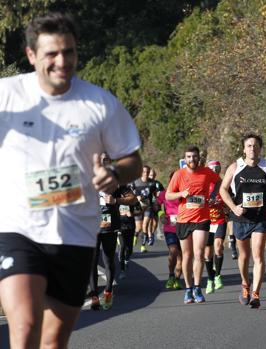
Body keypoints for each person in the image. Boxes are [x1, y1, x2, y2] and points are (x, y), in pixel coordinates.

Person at [0, 12, 142, 348]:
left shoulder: (100, 104)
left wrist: (115, 173)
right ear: (32, 55)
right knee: (24, 327)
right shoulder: (7, 97)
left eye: (69, 52)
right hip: (17, 228)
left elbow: (133, 161)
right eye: (51, 54)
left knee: (53, 342)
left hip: (74, 234)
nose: (62, 61)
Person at [220, 134, 266, 309]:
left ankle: (256, 294)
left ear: (260, 148)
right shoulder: (235, 167)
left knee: (258, 255)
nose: (252, 149)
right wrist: (233, 207)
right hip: (241, 218)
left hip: (260, 217)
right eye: (249, 146)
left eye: (256, 146)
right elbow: (223, 190)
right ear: (244, 149)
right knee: (244, 256)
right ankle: (245, 284)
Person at [166, 146, 221, 304]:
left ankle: (197, 287)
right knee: (187, 255)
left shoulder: (206, 172)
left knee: (199, 253)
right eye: (189, 157)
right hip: (184, 220)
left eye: (194, 156)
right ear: (185, 159)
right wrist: (181, 194)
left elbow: (219, 182)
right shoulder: (179, 174)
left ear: (199, 158)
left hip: (202, 219)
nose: (192, 159)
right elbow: (169, 195)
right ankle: (188, 289)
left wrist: (212, 195)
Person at [87, 153, 136, 311]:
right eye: (100, 159)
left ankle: (108, 291)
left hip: (110, 226)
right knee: (92, 261)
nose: (103, 162)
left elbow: (132, 198)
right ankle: (94, 294)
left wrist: (116, 201)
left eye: (106, 159)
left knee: (108, 260)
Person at [203, 160, 227, 294]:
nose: (215, 171)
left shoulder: (223, 184)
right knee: (207, 253)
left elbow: (230, 200)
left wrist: (223, 204)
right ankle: (210, 279)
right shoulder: (204, 184)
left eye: (217, 169)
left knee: (218, 246)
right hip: (207, 221)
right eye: (213, 169)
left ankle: (217, 276)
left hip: (219, 220)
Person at [157, 171, 183, 290]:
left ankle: (177, 279)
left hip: (184, 227)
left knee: (182, 256)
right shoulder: (164, 193)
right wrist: (161, 214)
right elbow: (156, 206)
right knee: (173, 251)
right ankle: (171, 275)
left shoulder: (185, 193)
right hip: (170, 227)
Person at [131, 165, 157, 251]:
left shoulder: (153, 183)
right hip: (138, 206)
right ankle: (135, 236)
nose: (146, 173)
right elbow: (130, 193)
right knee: (138, 227)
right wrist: (136, 197)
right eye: (144, 172)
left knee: (145, 226)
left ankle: (143, 246)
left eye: (147, 172)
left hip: (148, 206)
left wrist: (155, 203)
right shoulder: (135, 182)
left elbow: (155, 195)